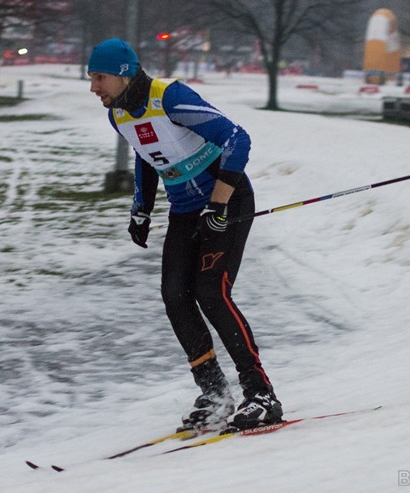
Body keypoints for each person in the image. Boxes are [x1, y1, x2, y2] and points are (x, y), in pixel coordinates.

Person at [87, 38, 283, 431]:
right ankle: (214, 394)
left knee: (211, 293)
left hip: (225, 201)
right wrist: (141, 210)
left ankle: (261, 394)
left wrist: (218, 203)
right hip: (184, 210)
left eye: (99, 77)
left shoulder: (170, 97)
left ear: (123, 74)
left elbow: (236, 140)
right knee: (175, 294)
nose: (94, 87)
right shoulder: (120, 115)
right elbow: (145, 159)